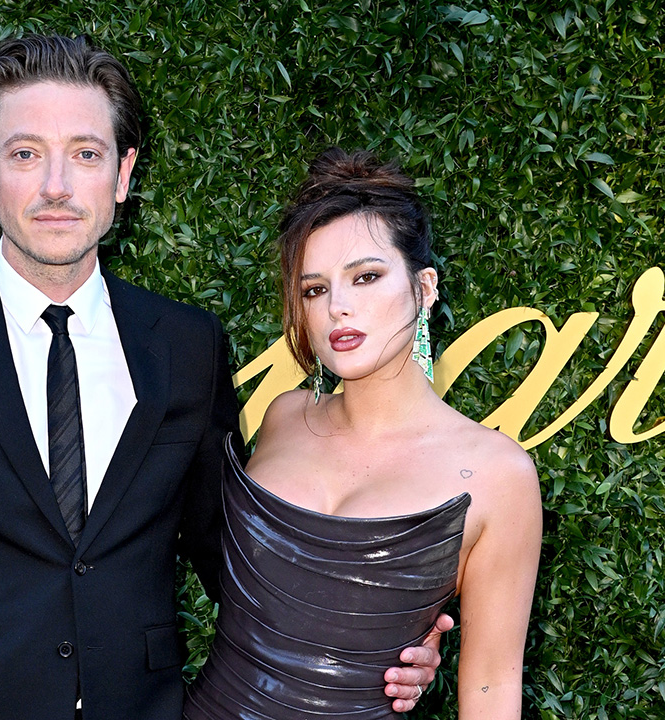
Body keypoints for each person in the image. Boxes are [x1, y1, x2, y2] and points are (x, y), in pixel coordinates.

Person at [0, 37, 440, 720]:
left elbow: (232, 562)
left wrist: (385, 645)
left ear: (122, 173)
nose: (56, 186)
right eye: (25, 154)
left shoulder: (186, 345)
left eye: (86, 154)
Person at [184, 148, 543, 719]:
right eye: (315, 290)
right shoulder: (283, 417)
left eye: (367, 277)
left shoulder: (499, 475)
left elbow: (492, 689)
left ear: (424, 288)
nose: (339, 309)